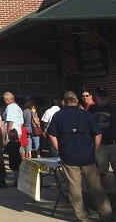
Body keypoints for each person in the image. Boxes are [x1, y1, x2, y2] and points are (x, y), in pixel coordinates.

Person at [48, 90, 112, 222]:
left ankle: (82, 218)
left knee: (74, 189)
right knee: (96, 187)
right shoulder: (86, 114)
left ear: (64, 102)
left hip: (69, 156)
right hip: (87, 156)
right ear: (76, 101)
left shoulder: (58, 116)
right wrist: (95, 149)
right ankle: (106, 214)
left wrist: (58, 149)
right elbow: (98, 134)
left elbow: (51, 134)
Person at [89, 86, 116, 189]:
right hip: (99, 146)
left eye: (105, 94)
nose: (103, 97)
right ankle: (105, 198)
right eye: (101, 95)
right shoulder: (92, 109)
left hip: (114, 144)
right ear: (96, 96)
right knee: (102, 173)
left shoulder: (113, 108)